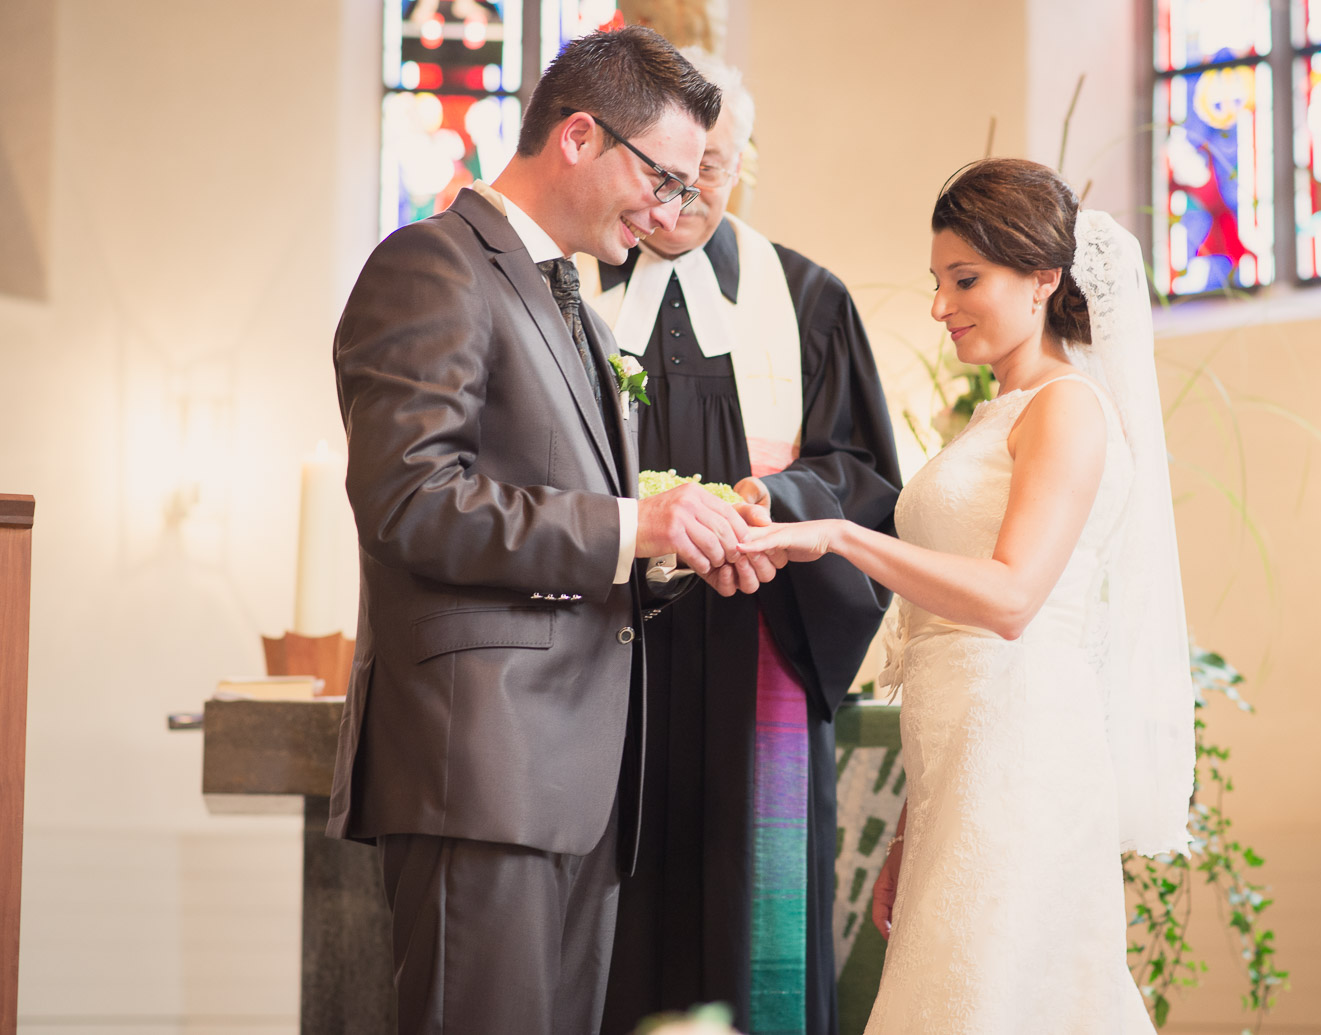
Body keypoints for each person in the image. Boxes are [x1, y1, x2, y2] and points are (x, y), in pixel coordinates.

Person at [325, 27, 785, 1035]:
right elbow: (412, 501)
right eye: (660, 178)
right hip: (479, 774)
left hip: (571, 779)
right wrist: (633, 520)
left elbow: (567, 513)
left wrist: (676, 545)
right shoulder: (433, 267)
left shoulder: (570, 299)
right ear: (578, 136)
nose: (670, 212)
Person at [739, 159, 1198, 1033]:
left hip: (1027, 757)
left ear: (1043, 278)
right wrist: (912, 827)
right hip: (963, 766)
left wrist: (835, 535)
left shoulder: (1067, 408)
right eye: (938, 282)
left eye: (966, 279)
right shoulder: (1000, 412)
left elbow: (1012, 598)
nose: (943, 305)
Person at [583, 50, 902, 1035]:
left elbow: (863, 478)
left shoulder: (805, 300)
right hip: (598, 654)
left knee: (749, 923)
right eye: (666, 171)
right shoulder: (566, 296)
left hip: (752, 650)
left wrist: (776, 500)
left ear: (741, 161)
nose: (684, 195)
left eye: (710, 167)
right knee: (602, 931)